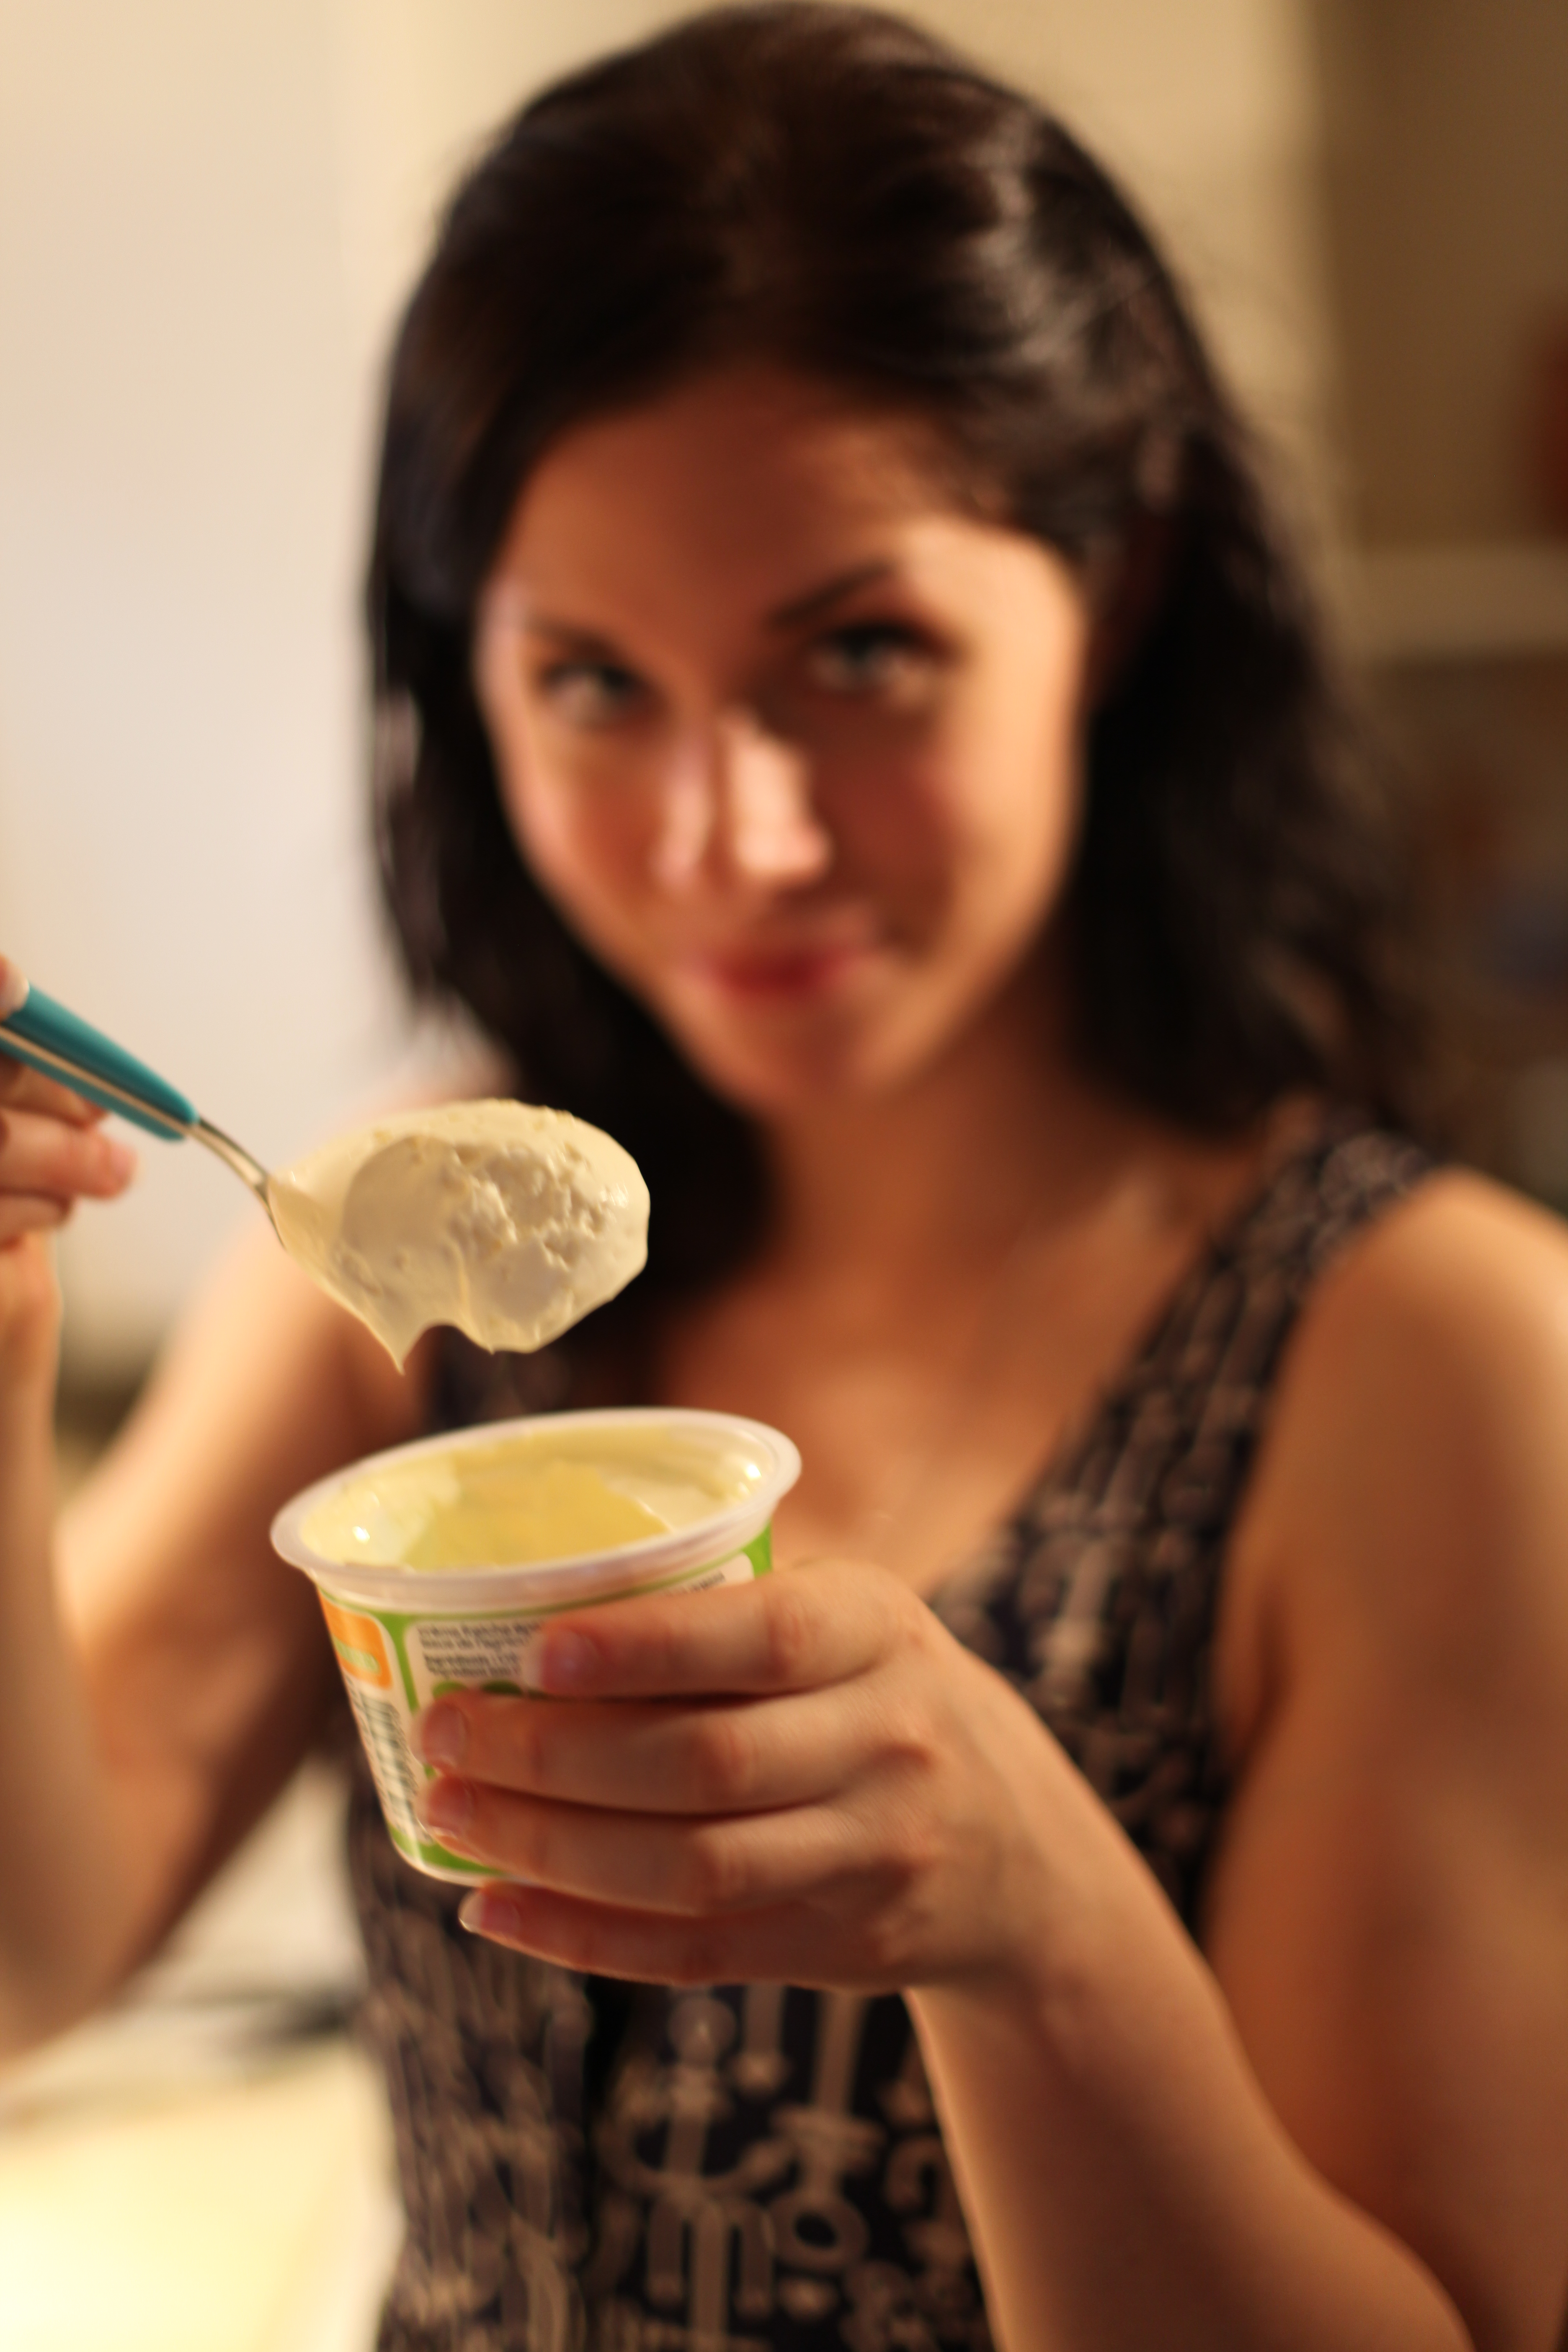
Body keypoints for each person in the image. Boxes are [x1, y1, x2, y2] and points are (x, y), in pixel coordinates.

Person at [2, 5, 1566, 2346]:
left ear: (1116, 591)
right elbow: (28, 1958)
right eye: (593, 685)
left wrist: (1034, 1927)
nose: (735, 840)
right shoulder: (411, 1260)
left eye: (859, 651)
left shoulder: (1430, 1360)